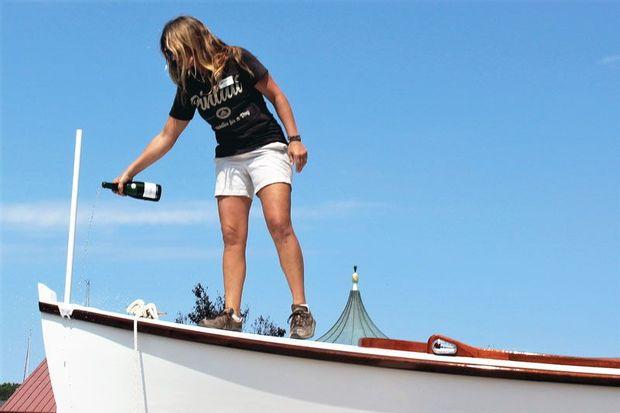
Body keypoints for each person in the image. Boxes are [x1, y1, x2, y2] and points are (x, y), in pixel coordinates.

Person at [113, 15, 315, 339]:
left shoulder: (237, 58)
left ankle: (300, 309)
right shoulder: (188, 85)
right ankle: (231, 314)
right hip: (229, 158)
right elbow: (167, 135)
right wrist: (129, 172)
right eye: (169, 55)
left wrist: (295, 139)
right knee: (232, 237)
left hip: (266, 146)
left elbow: (277, 95)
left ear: (191, 41)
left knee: (278, 223)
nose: (174, 59)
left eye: (175, 51)